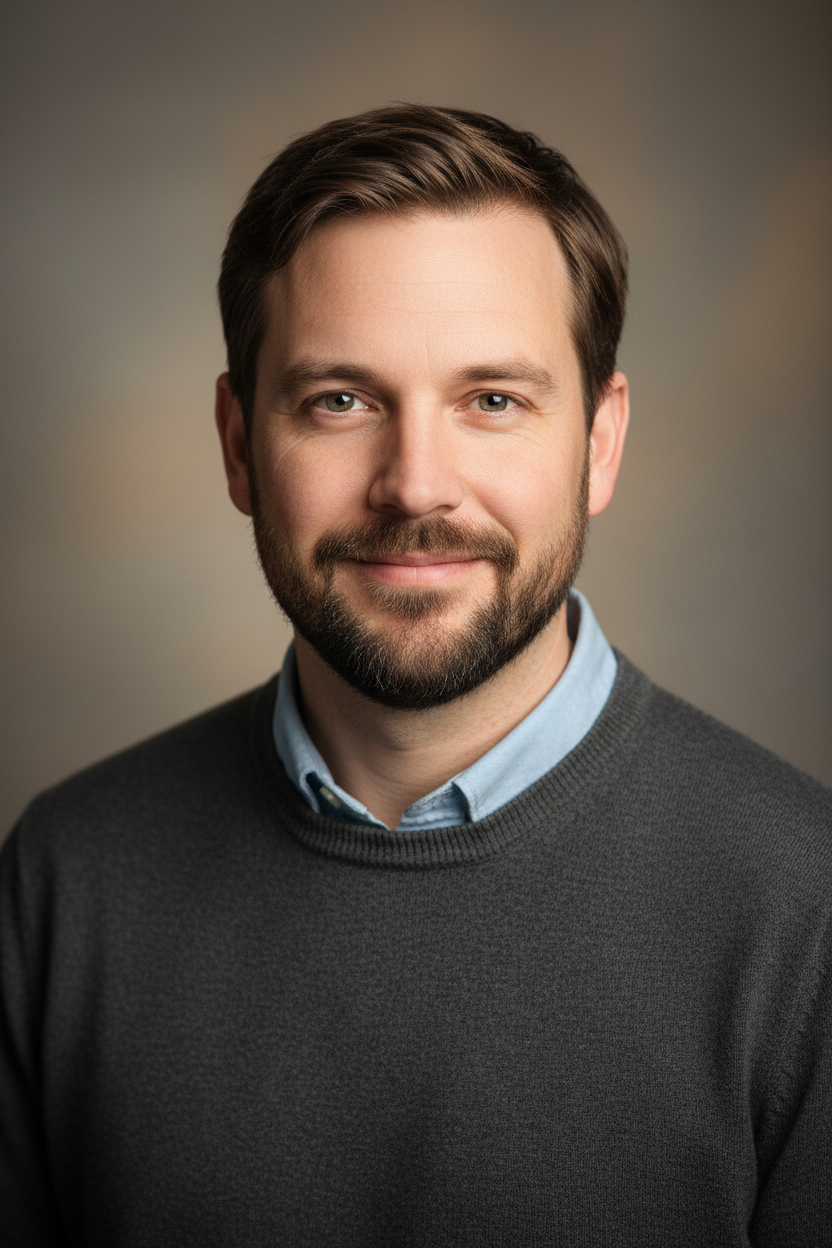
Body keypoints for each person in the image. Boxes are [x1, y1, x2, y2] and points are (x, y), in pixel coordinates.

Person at [0, 105, 829, 1247]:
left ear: (599, 443)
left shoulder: (806, 912)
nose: (415, 485)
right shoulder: (63, 881)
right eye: (340, 401)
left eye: (493, 401)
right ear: (239, 445)